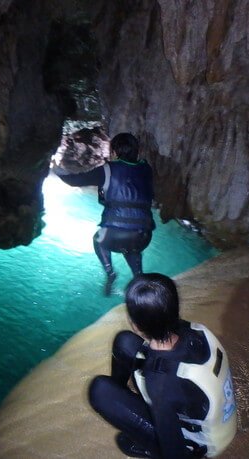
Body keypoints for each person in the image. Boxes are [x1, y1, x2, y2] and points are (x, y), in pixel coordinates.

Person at [88, 274, 237, 458]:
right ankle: (125, 399)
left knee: (100, 390)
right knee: (124, 342)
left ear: (137, 325)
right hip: (216, 419)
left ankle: (147, 442)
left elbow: (173, 452)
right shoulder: (193, 330)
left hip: (200, 446)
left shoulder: (159, 382)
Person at [54, 132, 155, 295]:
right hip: (144, 237)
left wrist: (56, 168)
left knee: (99, 239)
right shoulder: (146, 169)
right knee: (131, 246)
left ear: (114, 152)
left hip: (115, 235)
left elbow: (75, 180)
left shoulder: (108, 169)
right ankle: (138, 277)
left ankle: (110, 272)